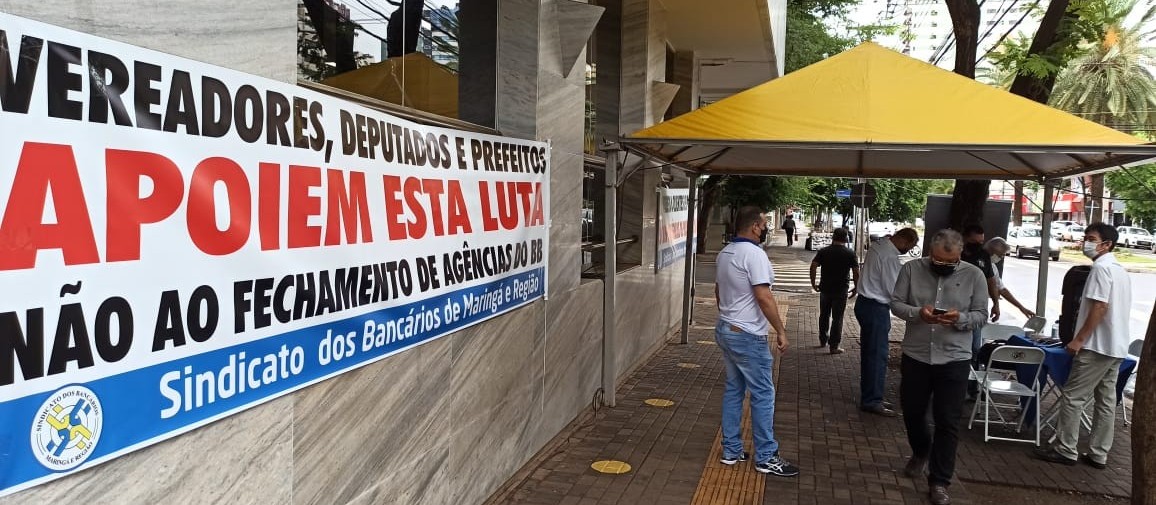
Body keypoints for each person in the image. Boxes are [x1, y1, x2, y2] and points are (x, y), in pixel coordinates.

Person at [891, 229, 989, 505]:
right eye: (938, 260)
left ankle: (940, 480)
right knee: (912, 411)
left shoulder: (974, 275)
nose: (943, 266)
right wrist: (917, 313)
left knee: (948, 420)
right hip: (917, 354)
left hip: (955, 358)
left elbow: (982, 314)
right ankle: (921, 450)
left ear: (960, 256)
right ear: (929, 252)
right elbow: (896, 303)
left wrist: (961, 319)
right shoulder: (911, 269)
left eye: (950, 262)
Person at [1034, 223, 1133, 470]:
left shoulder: (1101, 269)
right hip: (1116, 345)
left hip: (1096, 345)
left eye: (1091, 238)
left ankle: (1066, 449)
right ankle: (1099, 453)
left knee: (1073, 397)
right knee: (1106, 402)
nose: (1085, 242)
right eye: (1085, 238)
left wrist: (1079, 339)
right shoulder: (1119, 270)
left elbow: (1100, 307)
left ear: (1106, 244)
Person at [714, 206, 800, 477]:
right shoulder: (754, 255)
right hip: (747, 335)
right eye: (763, 224)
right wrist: (781, 331)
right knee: (763, 394)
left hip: (727, 328)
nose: (765, 228)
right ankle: (766, 457)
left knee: (734, 390)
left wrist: (729, 315)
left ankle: (731, 450)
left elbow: (719, 290)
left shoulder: (725, 252)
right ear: (754, 227)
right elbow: (764, 297)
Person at [855, 228, 920, 417]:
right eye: (911, 246)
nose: (909, 250)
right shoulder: (890, 256)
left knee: (870, 354)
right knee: (877, 356)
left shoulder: (879, 245)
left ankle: (870, 395)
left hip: (865, 303)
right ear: (904, 240)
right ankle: (872, 400)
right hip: (876, 307)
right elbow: (894, 290)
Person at [960, 225, 1002, 399]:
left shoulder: (983, 256)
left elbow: (991, 280)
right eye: (974, 241)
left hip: (976, 309)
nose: (978, 245)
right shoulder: (955, 252)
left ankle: (971, 387)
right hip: (955, 307)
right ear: (965, 238)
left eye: (981, 242)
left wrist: (996, 303)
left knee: (974, 349)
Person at [810, 228, 860, 354]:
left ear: (833, 237)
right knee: (838, 318)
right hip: (841, 289)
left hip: (825, 288)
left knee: (824, 315)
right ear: (846, 238)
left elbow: (813, 266)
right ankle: (834, 346)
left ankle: (823, 339)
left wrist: (813, 282)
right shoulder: (850, 253)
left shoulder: (824, 251)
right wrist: (856, 287)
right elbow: (856, 272)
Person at [982, 237, 1036, 319]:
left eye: (1003, 255)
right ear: (992, 251)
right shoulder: (977, 264)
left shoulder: (992, 267)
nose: (1001, 258)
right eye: (1000, 255)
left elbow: (1002, 289)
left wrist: (1021, 307)